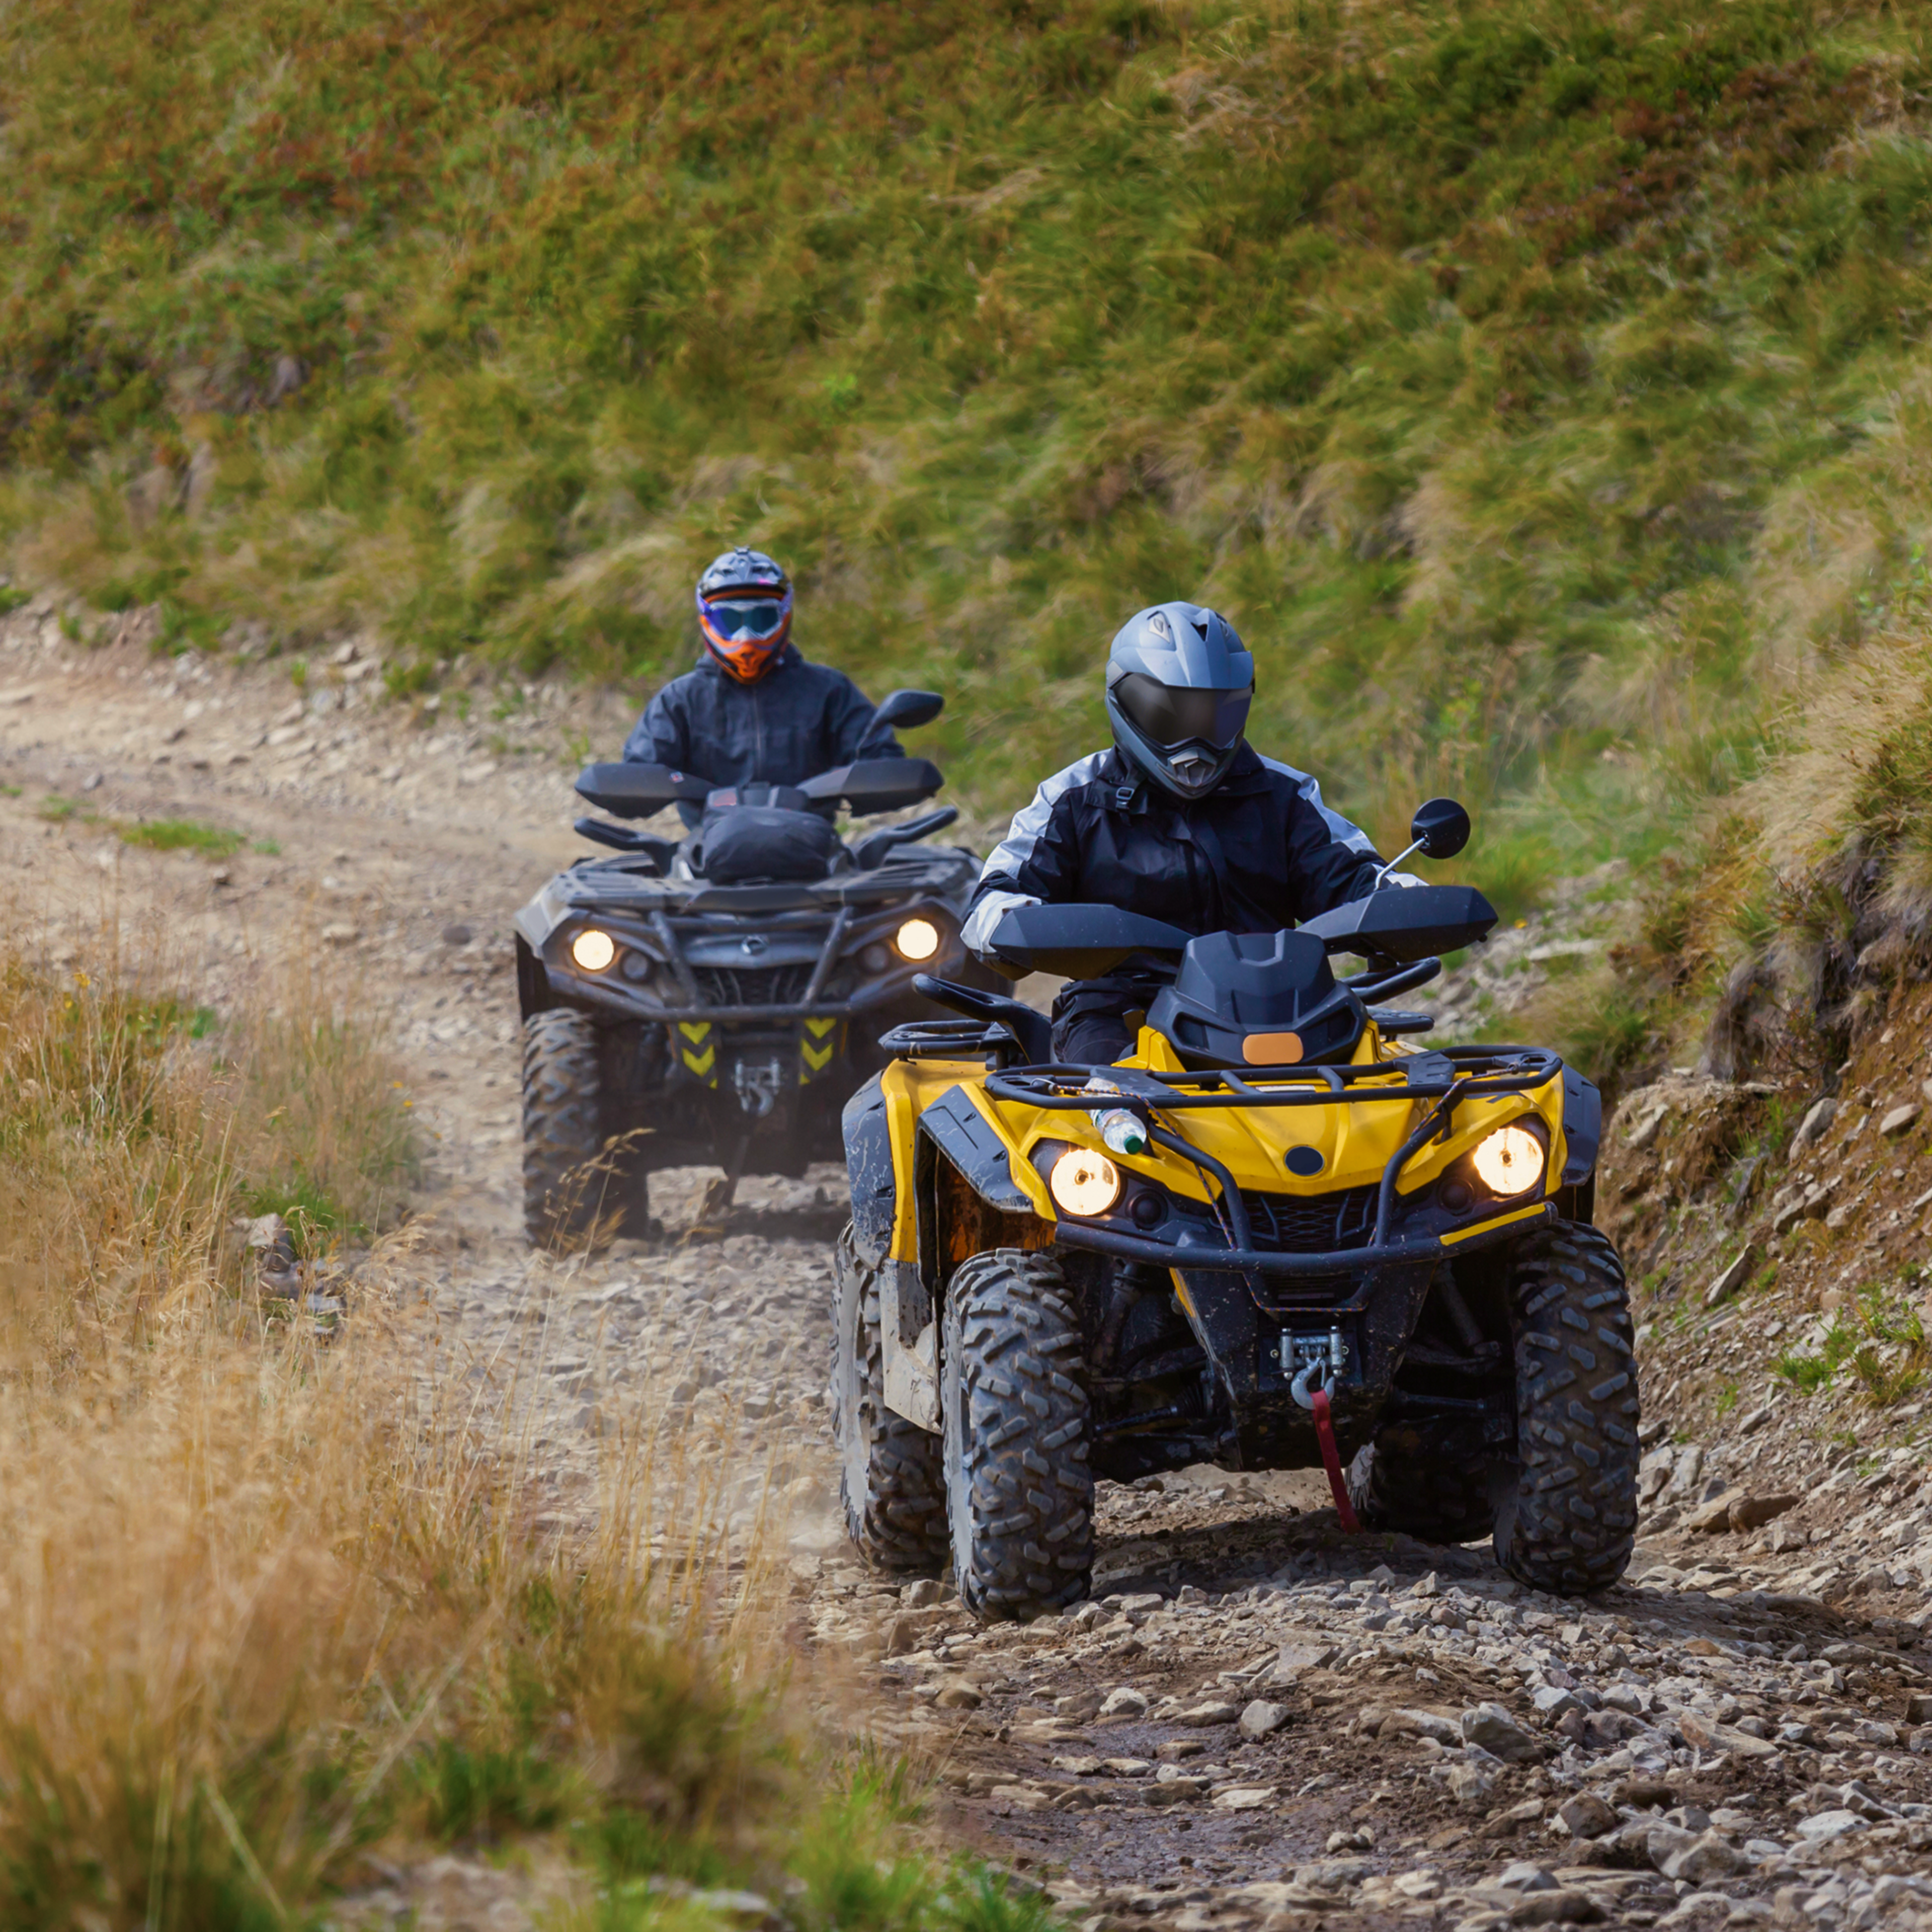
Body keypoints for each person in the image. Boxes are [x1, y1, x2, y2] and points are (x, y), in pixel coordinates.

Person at [961, 600, 1410, 1064]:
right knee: (1093, 1107)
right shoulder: (1073, 798)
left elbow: (1354, 876)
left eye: (1215, 715)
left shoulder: (1285, 795)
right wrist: (1014, 920)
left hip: (1282, 1006)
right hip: (1121, 1009)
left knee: (1393, 1096)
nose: (1195, 738)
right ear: (1126, 700)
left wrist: (1404, 898)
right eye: (1174, 714)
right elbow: (994, 897)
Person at [622, 547, 900, 824]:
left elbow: (880, 758)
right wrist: (629, 791)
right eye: (731, 621)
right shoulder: (680, 700)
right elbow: (636, 777)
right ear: (707, 621)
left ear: (784, 616)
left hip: (812, 848)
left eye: (761, 620)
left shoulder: (829, 690)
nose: (746, 637)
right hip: (709, 851)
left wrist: (886, 776)